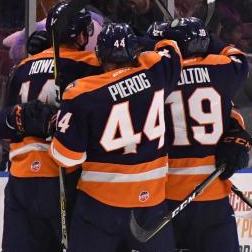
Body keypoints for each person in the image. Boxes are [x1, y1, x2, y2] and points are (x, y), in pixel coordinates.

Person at [49, 23, 182, 251]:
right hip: (150, 204)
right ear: (135, 52)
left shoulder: (81, 92)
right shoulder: (157, 72)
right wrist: (148, 38)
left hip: (99, 207)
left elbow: (66, 158)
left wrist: (57, 127)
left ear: (99, 55)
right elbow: (172, 48)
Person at [0, 1, 101, 252]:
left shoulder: (22, 67)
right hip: (64, 176)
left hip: (21, 178)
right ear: (81, 35)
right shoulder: (94, 65)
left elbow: (3, 122)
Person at [159, 17, 250, 251]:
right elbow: (239, 58)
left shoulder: (158, 75)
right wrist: (211, 41)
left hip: (168, 192)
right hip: (212, 194)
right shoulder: (221, 69)